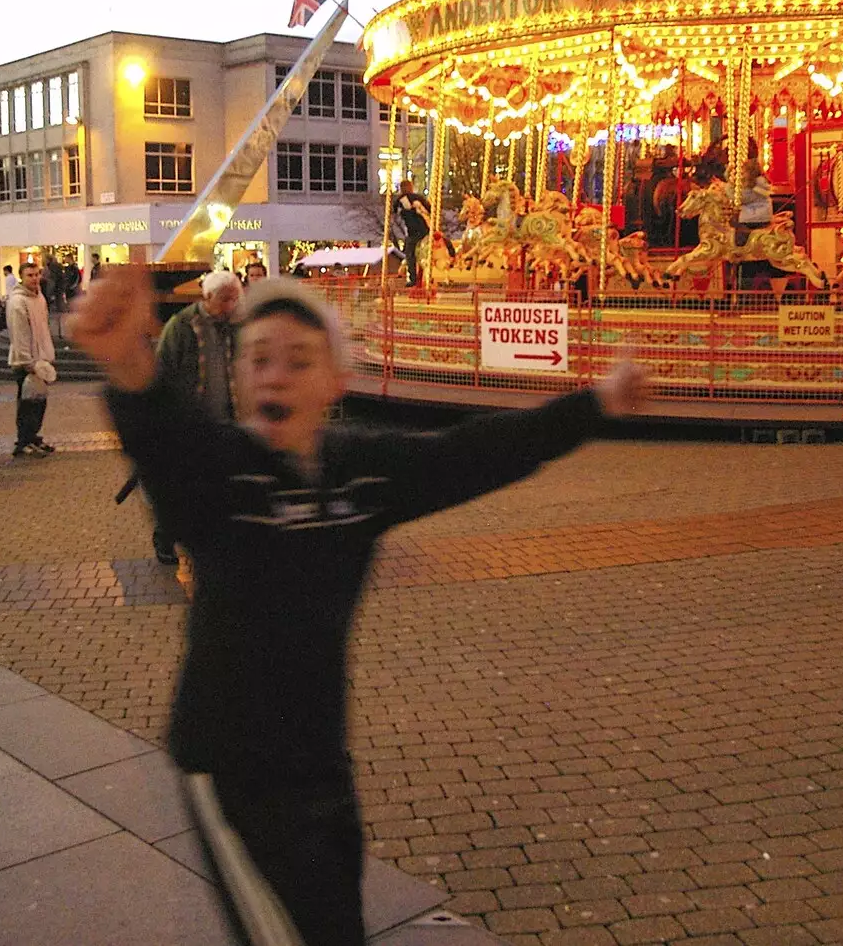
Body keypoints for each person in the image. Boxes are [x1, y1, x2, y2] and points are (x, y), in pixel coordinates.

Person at [74, 268, 646, 946]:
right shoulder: (221, 476)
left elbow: (474, 453)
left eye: (297, 360)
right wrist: (129, 363)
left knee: (336, 922)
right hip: (231, 765)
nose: (275, 376)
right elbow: (167, 443)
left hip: (319, 754)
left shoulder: (360, 472)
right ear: (236, 379)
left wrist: (597, 403)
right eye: (257, 360)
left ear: (335, 381)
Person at [146, 269, 242, 563]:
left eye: (234, 299)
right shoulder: (182, 326)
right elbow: (162, 372)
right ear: (208, 296)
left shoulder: (235, 326)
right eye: (225, 300)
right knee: (181, 487)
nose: (230, 306)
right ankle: (165, 537)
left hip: (227, 418)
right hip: (190, 422)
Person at [7, 261, 56, 457]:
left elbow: (43, 329)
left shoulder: (39, 297)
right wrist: (27, 362)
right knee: (27, 403)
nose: (35, 279)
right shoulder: (17, 301)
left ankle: (32, 436)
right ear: (22, 277)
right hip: (26, 362)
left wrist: (47, 355)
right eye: (30, 275)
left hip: (41, 358)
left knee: (39, 401)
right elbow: (19, 334)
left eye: (37, 274)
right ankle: (23, 440)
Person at [395, 178, 432, 286]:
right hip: (425, 229)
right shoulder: (419, 197)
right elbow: (429, 208)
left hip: (414, 231)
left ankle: (413, 278)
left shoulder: (403, 199)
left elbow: (396, 210)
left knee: (409, 253)